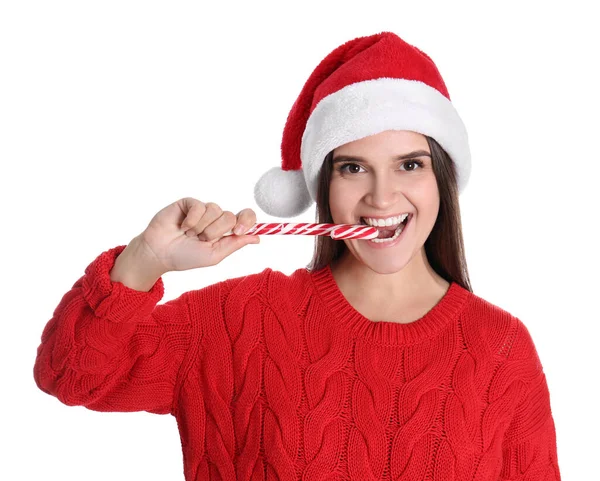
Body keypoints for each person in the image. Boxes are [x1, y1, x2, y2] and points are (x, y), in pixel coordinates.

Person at [33, 32, 561, 480]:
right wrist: (146, 259)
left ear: (442, 180)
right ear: (322, 185)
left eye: (410, 165)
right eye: (353, 168)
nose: (381, 198)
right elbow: (70, 374)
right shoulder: (236, 323)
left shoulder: (501, 350)